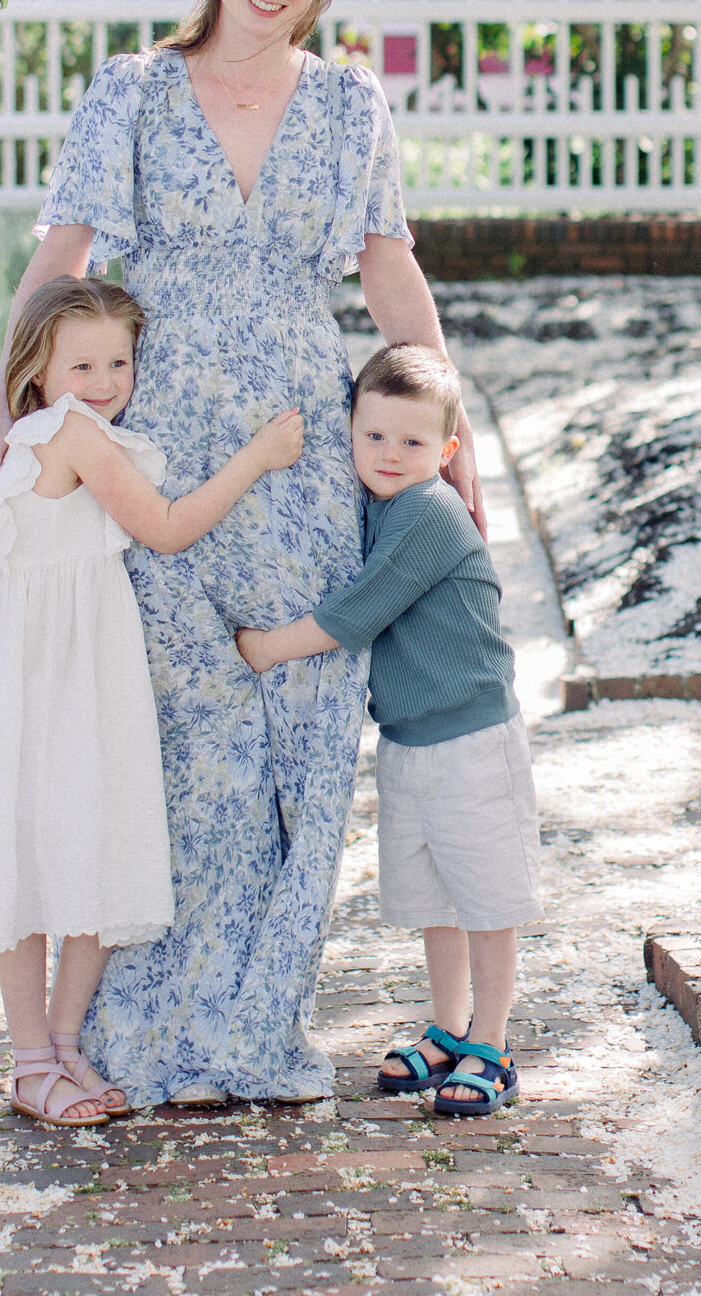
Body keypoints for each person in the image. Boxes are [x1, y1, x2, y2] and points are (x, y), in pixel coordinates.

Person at [0, 0, 484, 1106]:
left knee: (303, 731)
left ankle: (255, 1024)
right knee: (168, 735)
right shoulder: (132, 93)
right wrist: (3, 431)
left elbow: (391, 277)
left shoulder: (352, 106)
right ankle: (137, 1033)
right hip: (147, 446)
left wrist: (455, 449)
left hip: (304, 449)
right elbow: (59, 263)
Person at [0, 276, 303, 1125]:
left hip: (65, 661)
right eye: (82, 362)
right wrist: (259, 456)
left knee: (81, 842)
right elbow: (165, 525)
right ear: (36, 369)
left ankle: (62, 1046)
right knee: (39, 851)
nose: (103, 379)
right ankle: (31, 1059)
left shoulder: (46, 431)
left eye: (119, 361)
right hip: (47, 672)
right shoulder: (73, 432)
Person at [235, 344, 540, 1119]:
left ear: (446, 451)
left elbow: (361, 610)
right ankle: (447, 1026)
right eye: (374, 437)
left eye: (412, 443)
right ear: (351, 433)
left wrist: (268, 645)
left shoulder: (431, 513)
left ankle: (493, 1046)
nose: (390, 455)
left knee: (484, 894)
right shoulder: (373, 503)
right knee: (433, 893)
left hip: (470, 735)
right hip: (406, 737)